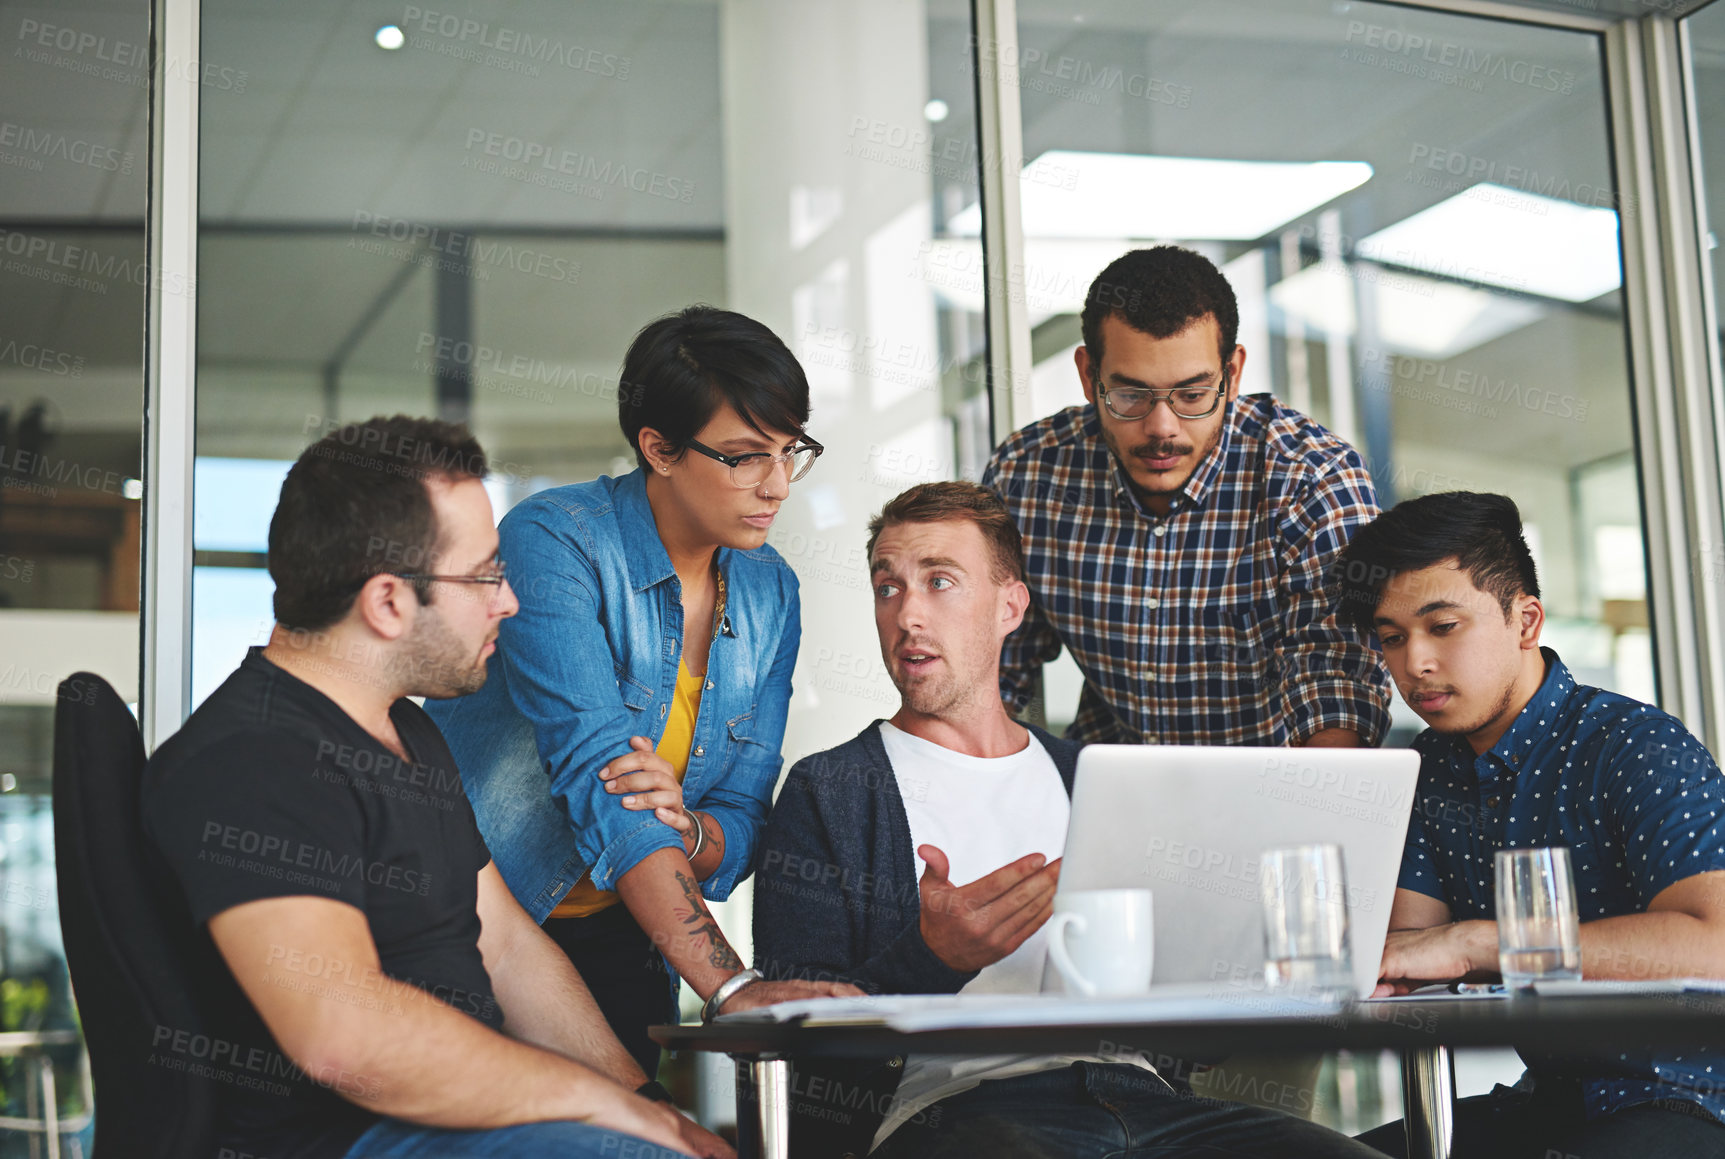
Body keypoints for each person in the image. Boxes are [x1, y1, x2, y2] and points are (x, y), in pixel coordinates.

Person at [143, 416, 729, 1159]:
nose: (507, 602)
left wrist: (644, 1103)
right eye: (485, 574)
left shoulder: (411, 734)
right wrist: (601, 1109)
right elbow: (343, 1038)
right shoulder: (252, 760)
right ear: (388, 601)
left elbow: (508, 946)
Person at [752, 480, 1393, 1158]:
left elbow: (1181, 1022)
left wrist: (1256, 967)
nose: (907, 613)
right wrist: (931, 957)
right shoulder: (831, 790)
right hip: (956, 1111)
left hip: (1147, 1100)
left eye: (939, 581)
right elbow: (800, 1051)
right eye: (888, 587)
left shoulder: (1096, 777)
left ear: (1009, 605)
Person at [427, 306, 858, 1078]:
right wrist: (731, 983)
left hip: (630, 934)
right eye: (745, 457)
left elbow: (745, 811)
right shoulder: (555, 540)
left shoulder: (770, 592)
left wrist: (691, 832)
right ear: (657, 448)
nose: (779, 484)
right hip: (481, 929)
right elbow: (604, 780)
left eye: (791, 452)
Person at [1331, 491, 1725, 1158]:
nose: (1413, 663)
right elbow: (1413, 950)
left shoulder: (1634, 745)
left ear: (1524, 619)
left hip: (1692, 1099)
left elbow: (1713, 944)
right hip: (1549, 1100)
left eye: (1442, 626)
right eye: (1391, 637)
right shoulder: (1427, 768)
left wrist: (1475, 942)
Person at [982, 244, 1389, 747]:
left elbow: (1338, 684)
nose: (1162, 428)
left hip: (1274, 788)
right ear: (1089, 377)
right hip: (1107, 784)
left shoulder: (1311, 478)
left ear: (1232, 375)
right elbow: (989, 666)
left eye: (1192, 395)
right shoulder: (1029, 475)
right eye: (1131, 395)